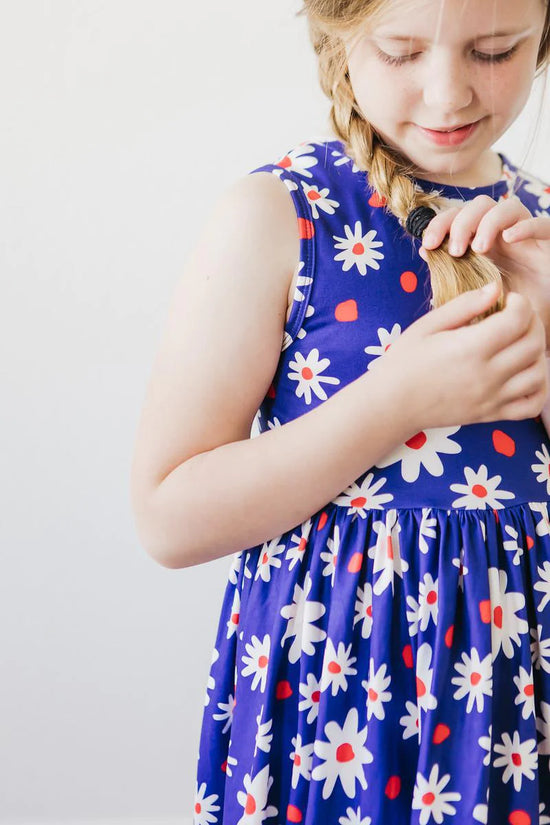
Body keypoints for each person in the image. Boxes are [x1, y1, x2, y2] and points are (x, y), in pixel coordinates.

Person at [129, 0, 550, 821]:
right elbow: (167, 515)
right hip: (339, 709)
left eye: (493, 50)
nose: (446, 94)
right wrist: (401, 399)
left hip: (515, 711)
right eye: (401, 53)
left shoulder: (543, 233)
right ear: (338, 35)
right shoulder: (283, 217)